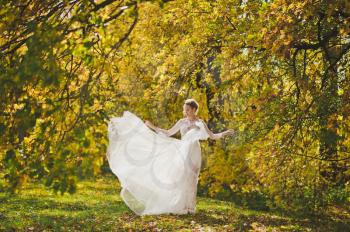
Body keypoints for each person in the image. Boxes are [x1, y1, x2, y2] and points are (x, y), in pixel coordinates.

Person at [106, 99, 234, 216]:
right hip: (183, 151)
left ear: (194, 110)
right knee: (182, 176)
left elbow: (212, 136)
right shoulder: (181, 122)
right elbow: (168, 133)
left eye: (188, 109)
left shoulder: (200, 123)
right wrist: (153, 127)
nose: (185, 111)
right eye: (185, 109)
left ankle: (190, 207)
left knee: (192, 178)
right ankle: (182, 206)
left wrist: (225, 133)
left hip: (195, 151)